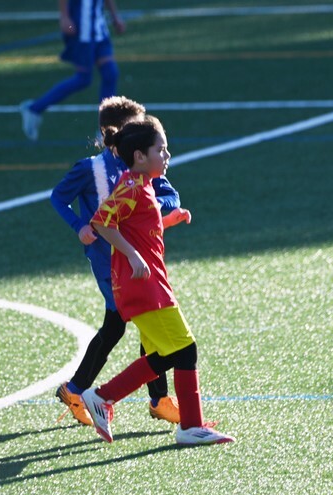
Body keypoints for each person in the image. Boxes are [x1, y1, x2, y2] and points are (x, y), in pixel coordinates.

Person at [82, 116, 234, 446]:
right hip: (143, 285)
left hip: (148, 283)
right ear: (139, 156)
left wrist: (168, 221)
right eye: (160, 150)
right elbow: (101, 222)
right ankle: (186, 425)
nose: (167, 156)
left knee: (168, 354)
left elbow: (140, 228)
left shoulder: (143, 186)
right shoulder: (132, 186)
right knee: (185, 349)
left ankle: (105, 398)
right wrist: (132, 256)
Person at [51, 96, 191, 427]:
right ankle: (134, 396)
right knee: (130, 323)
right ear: (109, 133)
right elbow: (59, 197)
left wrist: (152, 206)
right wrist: (79, 226)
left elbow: (170, 196)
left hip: (139, 257)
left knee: (129, 325)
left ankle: (85, 390)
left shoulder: (142, 170)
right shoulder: (92, 169)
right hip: (107, 261)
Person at [20, 0, 126, 141]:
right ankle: (34, 108)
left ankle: (106, 128)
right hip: (80, 29)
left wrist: (115, 17)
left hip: (99, 28)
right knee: (83, 79)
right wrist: (64, 17)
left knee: (110, 74)